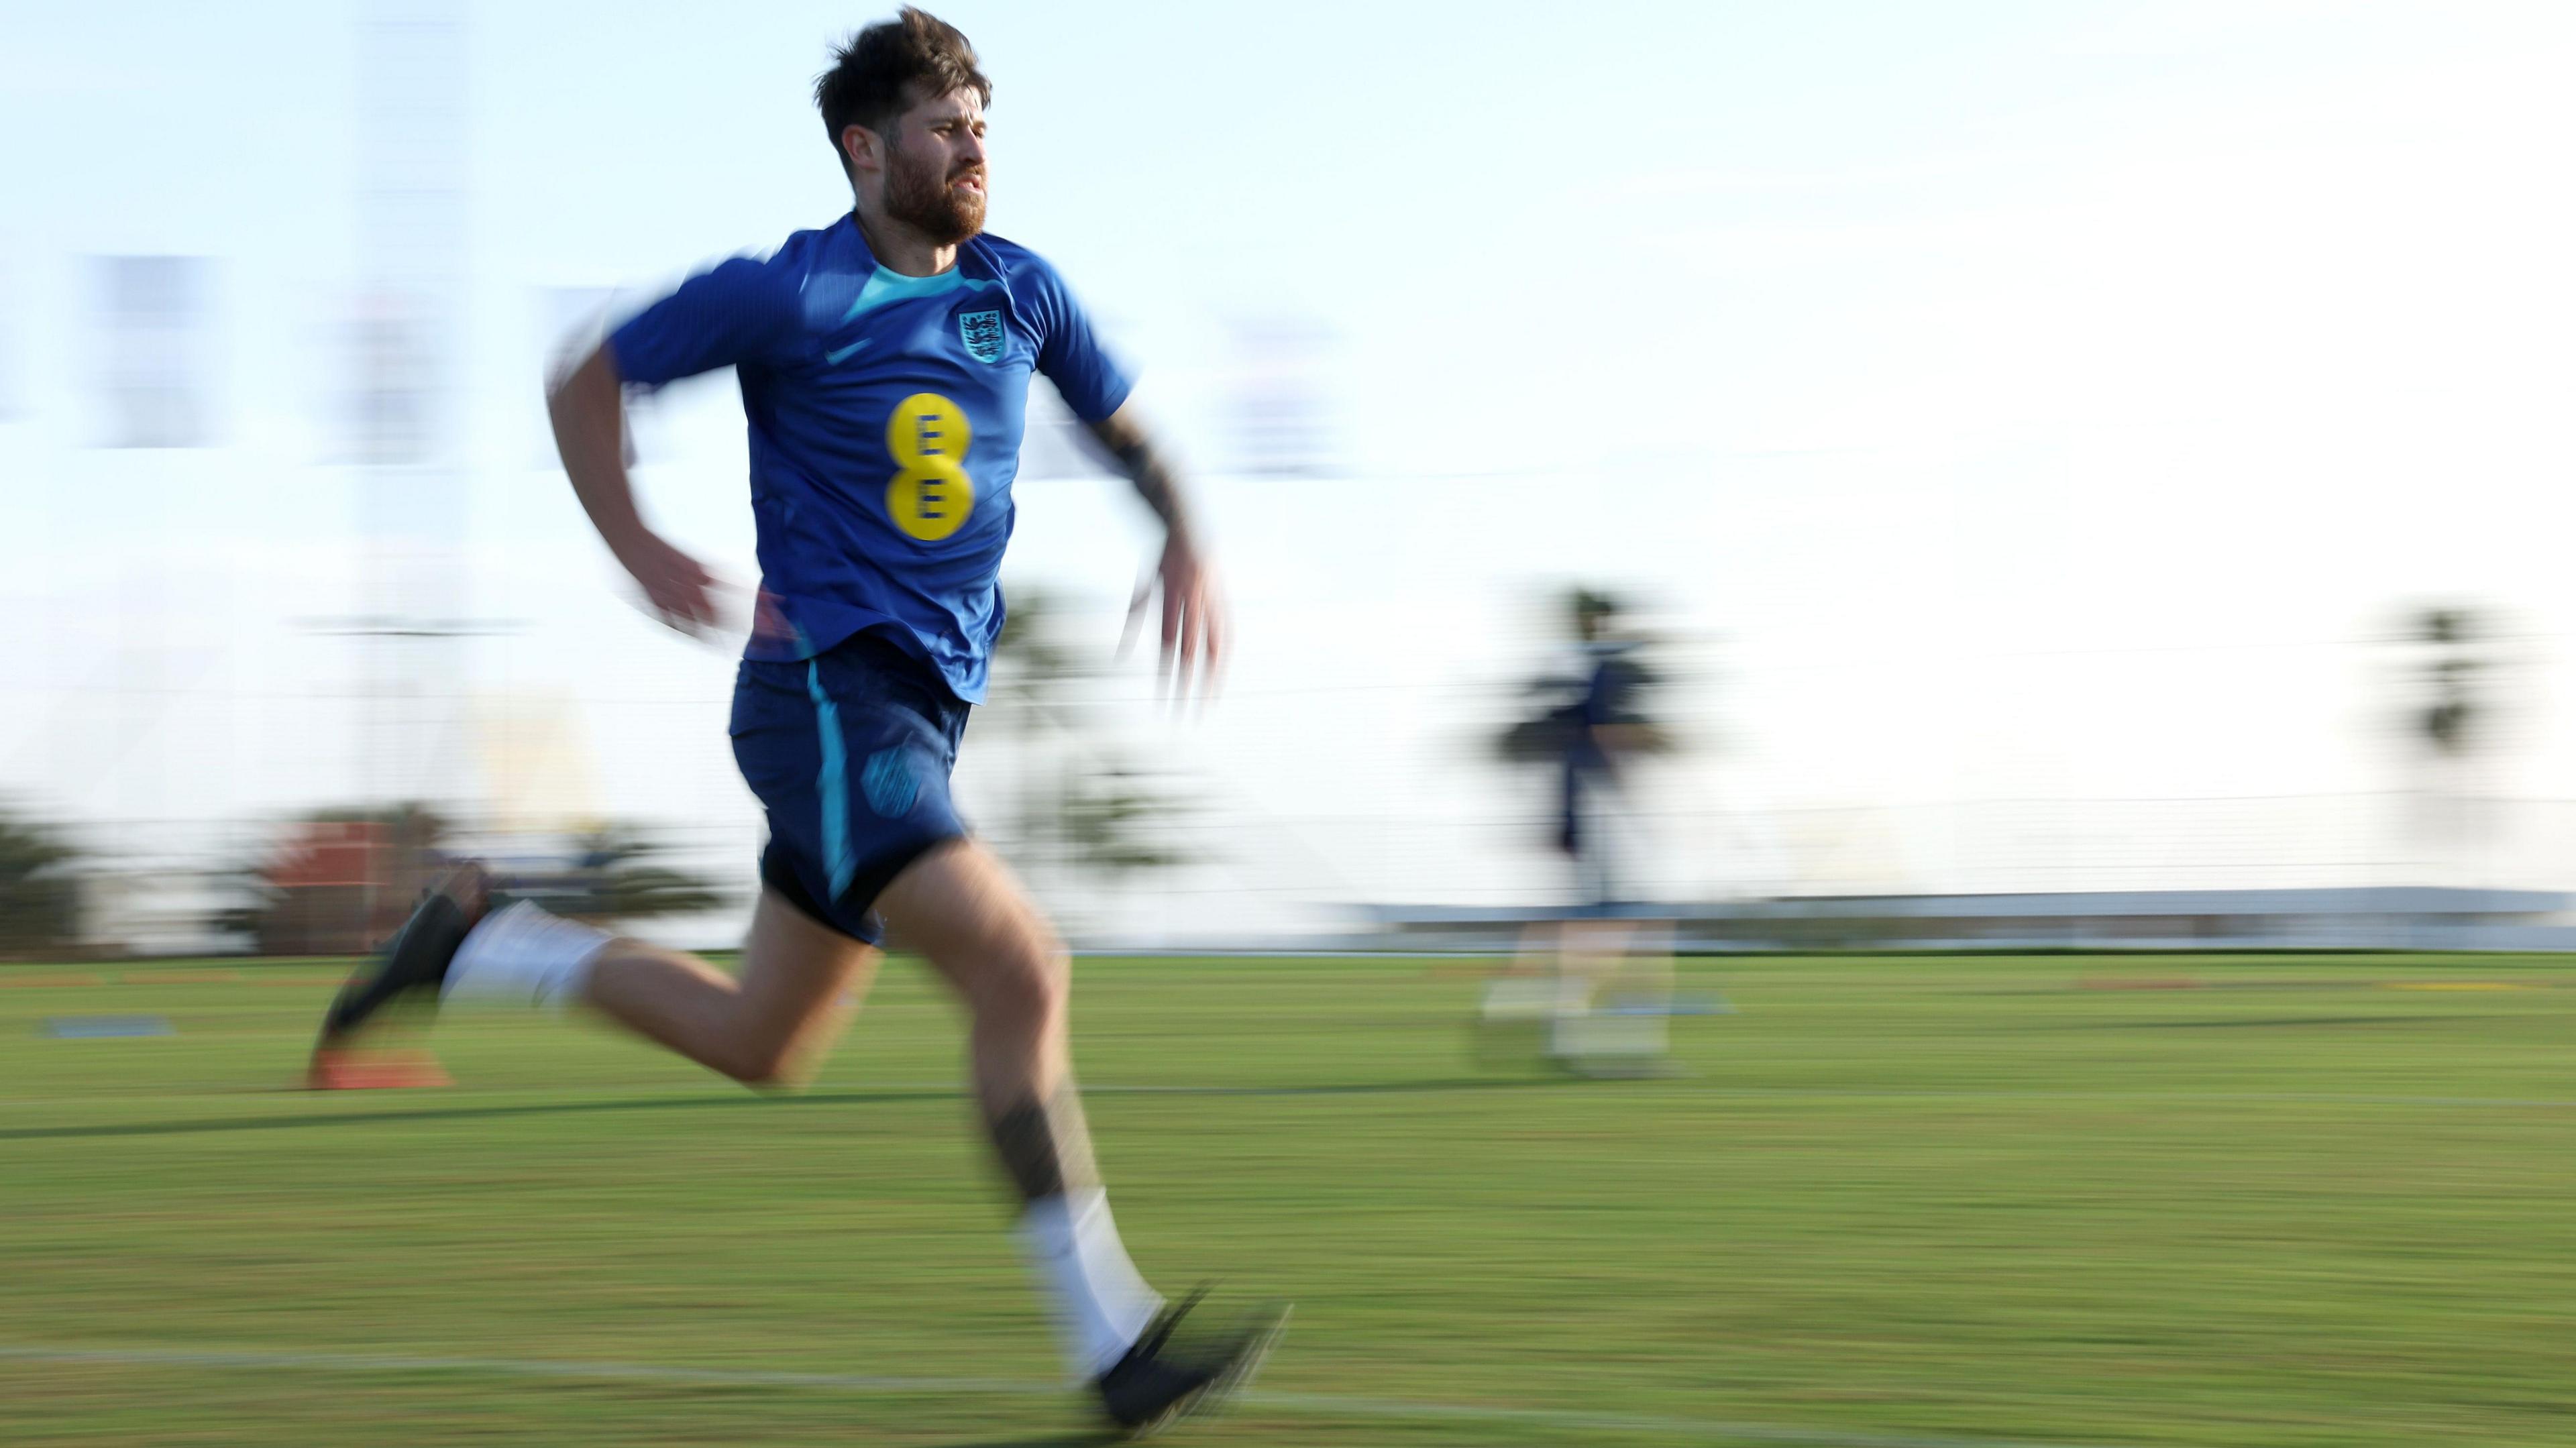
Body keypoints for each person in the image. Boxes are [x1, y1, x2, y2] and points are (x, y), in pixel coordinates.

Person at [309, 9, 1284, 1435]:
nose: (971, 149)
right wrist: (632, 538)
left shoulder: (1021, 293)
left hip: (912, 724)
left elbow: (1133, 440)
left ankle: (476, 945)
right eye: (944, 128)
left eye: (981, 127)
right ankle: (1112, 1349)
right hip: (830, 699)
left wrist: (1182, 539)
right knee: (1024, 971)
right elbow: (584, 374)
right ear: (863, 147)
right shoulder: (790, 293)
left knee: (765, 1042)